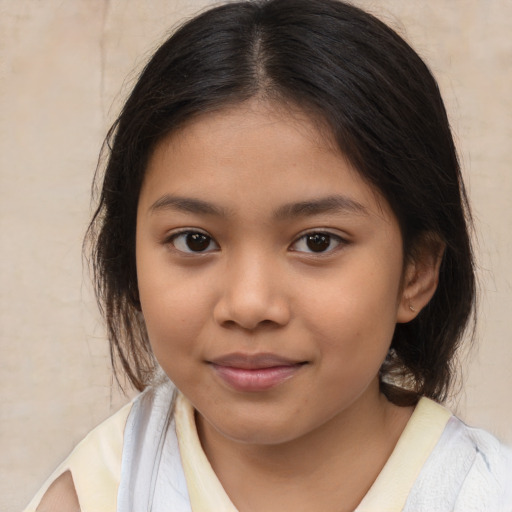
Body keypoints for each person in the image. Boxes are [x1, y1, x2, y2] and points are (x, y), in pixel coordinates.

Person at [24, 0, 512, 510]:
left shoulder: (487, 494)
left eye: (317, 241)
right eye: (195, 240)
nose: (249, 304)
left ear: (416, 272)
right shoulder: (94, 496)